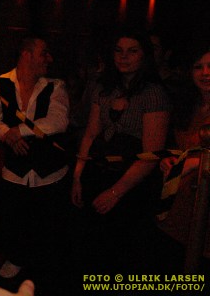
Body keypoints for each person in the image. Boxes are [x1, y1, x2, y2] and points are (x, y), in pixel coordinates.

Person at [71, 27, 170, 273]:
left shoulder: (153, 94)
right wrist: (77, 176)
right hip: (97, 173)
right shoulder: (104, 89)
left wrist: (116, 192)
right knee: (89, 249)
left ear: (144, 55)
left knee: (121, 255)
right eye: (119, 50)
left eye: (132, 51)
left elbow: (151, 155)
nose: (124, 57)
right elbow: (90, 134)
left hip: (132, 186)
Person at [0, 35, 71, 282]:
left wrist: (20, 131)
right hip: (15, 170)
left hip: (49, 172)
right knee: (13, 219)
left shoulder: (55, 86)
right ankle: (15, 261)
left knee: (46, 225)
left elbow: (58, 121)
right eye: (43, 53)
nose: (49, 58)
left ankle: (44, 272)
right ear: (26, 54)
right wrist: (8, 135)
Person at [157, 42, 210, 264]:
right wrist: (171, 161)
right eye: (198, 67)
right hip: (180, 205)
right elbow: (180, 149)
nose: (205, 73)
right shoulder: (188, 104)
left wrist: (195, 162)